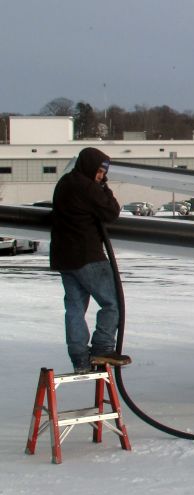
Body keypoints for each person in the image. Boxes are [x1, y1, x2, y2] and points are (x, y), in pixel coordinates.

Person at [50, 147, 131, 373]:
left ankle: (80, 359)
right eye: (100, 171)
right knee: (112, 303)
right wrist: (103, 187)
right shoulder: (88, 187)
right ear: (91, 167)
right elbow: (112, 212)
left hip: (64, 258)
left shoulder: (65, 183)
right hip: (87, 256)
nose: (101, 175)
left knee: (74, 308)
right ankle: (102, 348)